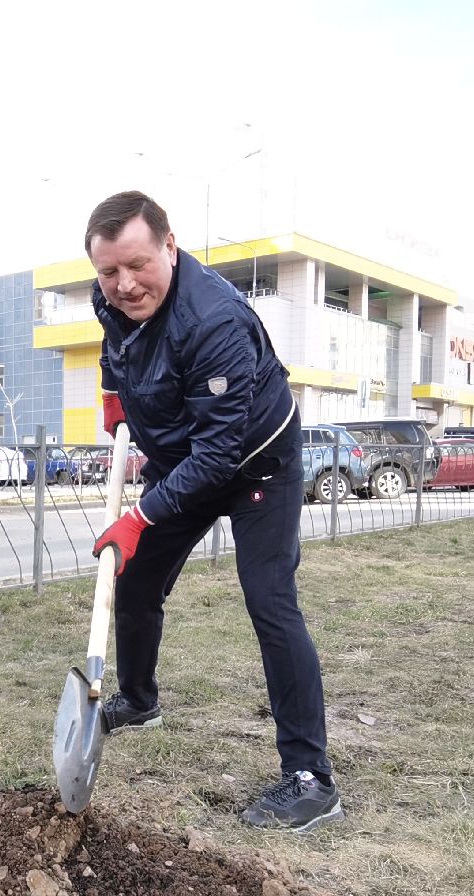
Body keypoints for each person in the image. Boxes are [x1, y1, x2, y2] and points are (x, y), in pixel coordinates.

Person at [83, 190, 343, 834]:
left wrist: (139, 517)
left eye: (137, 265)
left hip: (256, 464)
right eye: (109, 271)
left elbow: (219, 455)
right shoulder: (109, 297)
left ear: (170, 247)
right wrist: (116, 397)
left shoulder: (215, 320)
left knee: (269, 599)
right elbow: (117, 346)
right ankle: (138, 700)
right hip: (186, 457)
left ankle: (310, 778)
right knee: (135, 579)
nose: (124, 284)